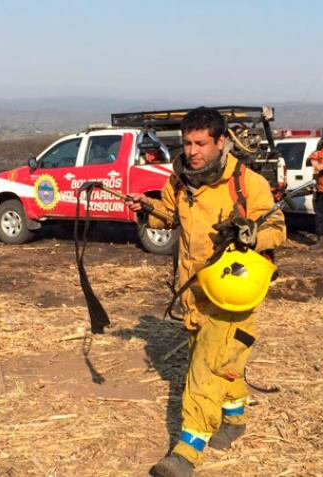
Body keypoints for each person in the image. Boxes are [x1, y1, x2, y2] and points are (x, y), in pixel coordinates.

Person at [127, 107, 286, 477]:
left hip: (232, 293)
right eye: (187, 143)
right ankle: (235, 418)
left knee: (202, 370)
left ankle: (187, 451)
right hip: (193, 292)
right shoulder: (181, 180)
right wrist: (146, 207)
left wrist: (251, 234)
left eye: (201, 143)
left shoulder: (248, 185)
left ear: (221, 142)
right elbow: (169, 215)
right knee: (221, 363)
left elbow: (277, 227)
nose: (193, 150)